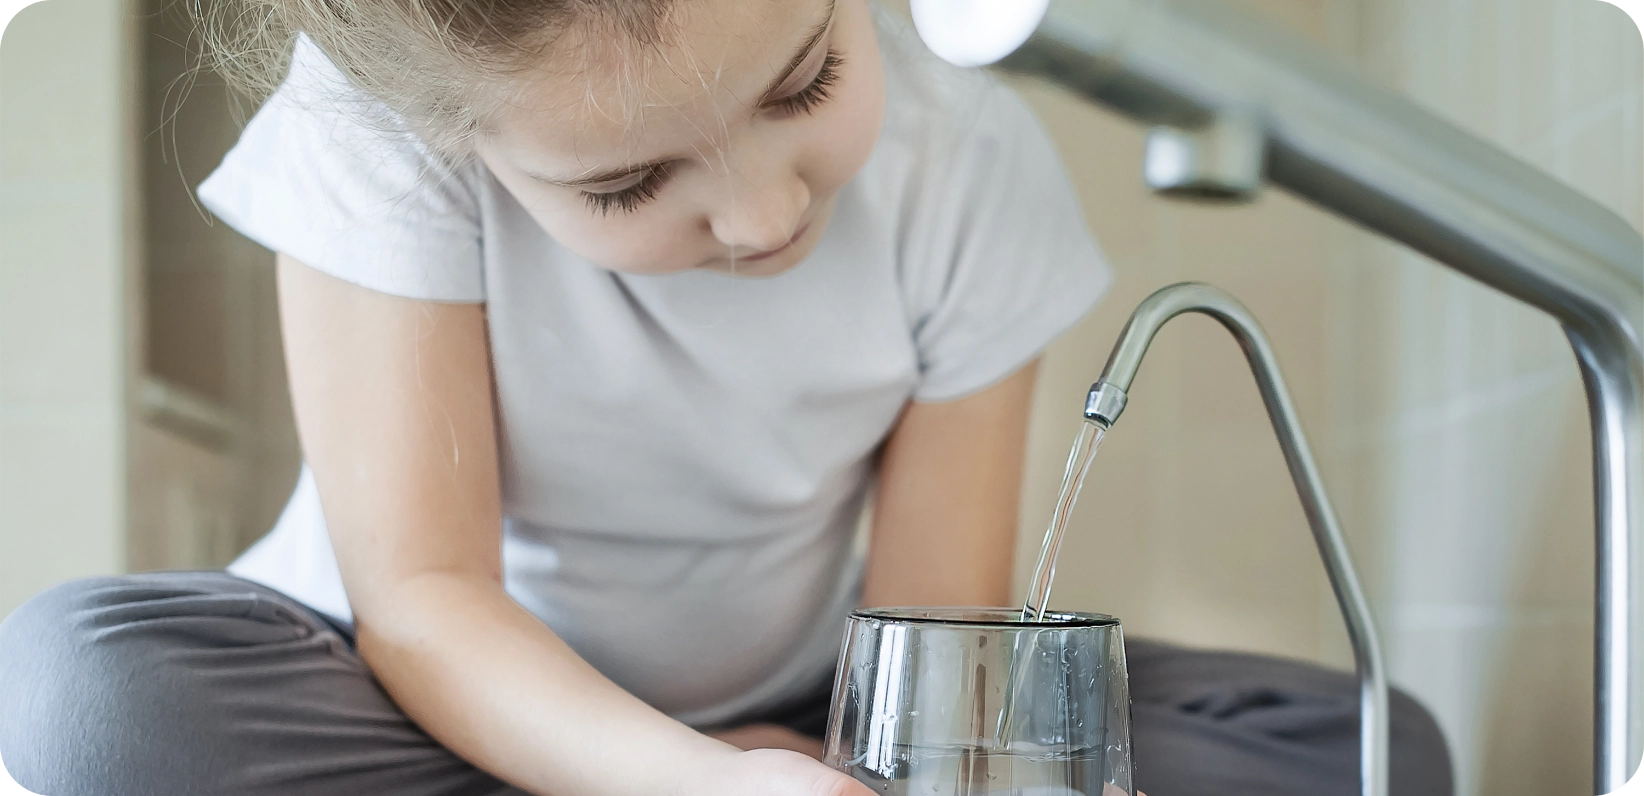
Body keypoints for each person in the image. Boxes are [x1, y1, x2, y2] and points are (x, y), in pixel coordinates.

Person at [0, 2, 1451, 795]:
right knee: (86, 709)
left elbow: (932, 650)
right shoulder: (372, 129)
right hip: (393, 695)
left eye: (806, 79)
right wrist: (687, 786)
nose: (761, 219)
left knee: (1368, 752)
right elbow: (426, 601)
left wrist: (814, 767)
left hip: (816, 710)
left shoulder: (969, 162)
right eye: (629, 184)